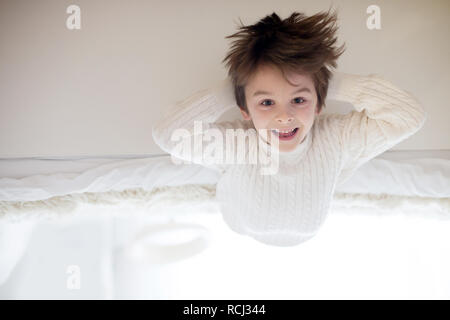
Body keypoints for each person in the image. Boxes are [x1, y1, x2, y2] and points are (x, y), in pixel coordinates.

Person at [152, 9, 427, 246]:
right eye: (267, 102)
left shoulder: (336, 138)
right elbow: (169, 136)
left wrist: (327, 81)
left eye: (298, 99)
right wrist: (237, 89)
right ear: (245, 110)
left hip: (310, 230)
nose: (285, 116)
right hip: (241, 224)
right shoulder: (238, 144)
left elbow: (408, 116)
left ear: (319, 103)